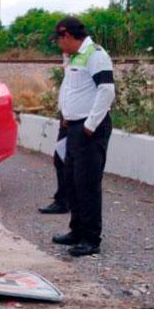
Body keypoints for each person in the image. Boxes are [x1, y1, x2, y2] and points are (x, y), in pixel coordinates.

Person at [50, 17, 115, 256]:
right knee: (72, 182)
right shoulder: (74, 57)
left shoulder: (95, 54)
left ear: (66, 35)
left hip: (90, 129)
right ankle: (76, 230)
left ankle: (90, 238)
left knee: (87, 184)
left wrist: (90, 124)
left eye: (58, 39)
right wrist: (67, 114)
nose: (58, 45)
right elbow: (72, 90)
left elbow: (107, 90)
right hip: (73, 127)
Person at [38, 52, 71, 215]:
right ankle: (64, 199)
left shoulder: (85, 58)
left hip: (74, 119)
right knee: (61, 159)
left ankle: (65, 201)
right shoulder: (71, 59)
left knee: (66, 161)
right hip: (67, 117)